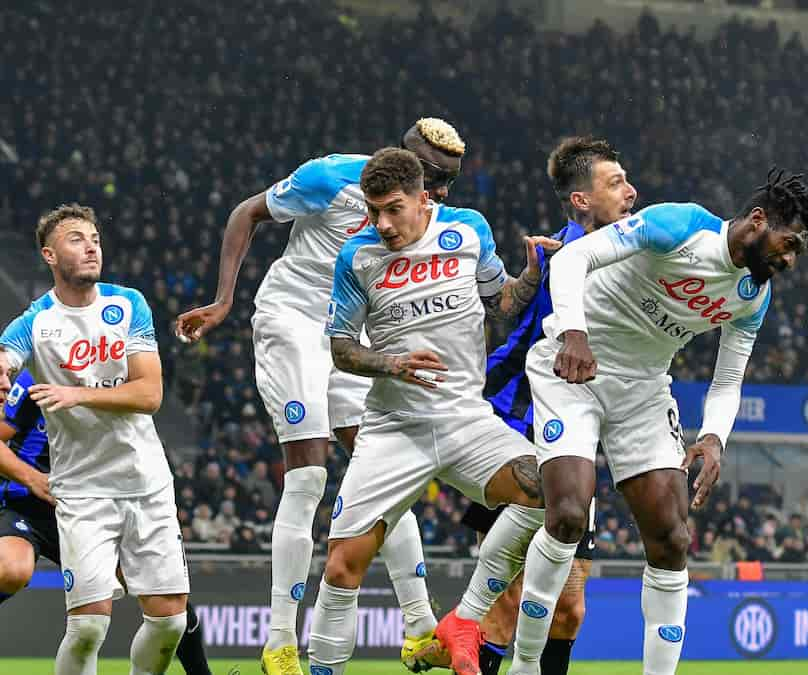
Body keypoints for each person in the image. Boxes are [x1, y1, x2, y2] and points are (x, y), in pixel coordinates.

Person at [511, 169, 808, 674]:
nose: (789, 261)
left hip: (643, 388)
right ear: (758, 220)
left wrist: (713, 438)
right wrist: (575, 332)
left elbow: (728, 380)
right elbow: (575, 256)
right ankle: (526, 665)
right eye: (787, 244)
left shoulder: (753, 294)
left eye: (796, 253)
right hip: (574, 364)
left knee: (672, 539)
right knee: (570, 514)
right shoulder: (680, 225)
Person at [174, 118, 466, 674]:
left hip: (348, 338)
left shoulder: (429, 216)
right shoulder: (331, 176)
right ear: (405, 162)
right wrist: (223, 300)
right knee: (308, 475)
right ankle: (280, 641)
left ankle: (421, 629)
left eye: (451, 181)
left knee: (388, 471)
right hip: (293, 320)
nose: (445, 191)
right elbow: (247, 212)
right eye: (437, 176)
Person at [308, 147, 556, 675]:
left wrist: (533, 274)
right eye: (374, 211)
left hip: (466, 419)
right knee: (342, 566)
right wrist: (391, 362)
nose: (382, 224)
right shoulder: (358, 256)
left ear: (424, 197)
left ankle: (464, 618)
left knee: (553, 490)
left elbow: (505, 302)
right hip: (394, 427)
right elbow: (341, 347)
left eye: (393, 209)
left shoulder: (467, 230)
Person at [462, 136, 637, 675]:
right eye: (615, 183)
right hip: (514, 426)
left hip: (576, 438)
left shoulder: (635, 254)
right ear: (581, 201)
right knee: (511, 603)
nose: (632, 192)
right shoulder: (550, 254)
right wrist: (545, 267)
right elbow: (507, 311)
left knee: (569, 608)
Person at [0, 204, 191, 675]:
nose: (91, 247)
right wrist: (1, 373)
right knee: (87, 629)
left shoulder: (128, 304)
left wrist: (75, 393)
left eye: (95, 239)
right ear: (49, 254)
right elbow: (6, 357)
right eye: (76, 239)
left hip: (146, 484)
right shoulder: (35, 323)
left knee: (170, 623)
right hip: (82, 491)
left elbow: (149, 394)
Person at [0, 369, 213, 674]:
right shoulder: (36, 374)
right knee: (11, 568)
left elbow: (149, 398)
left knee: (166, 606)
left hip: (93, 509)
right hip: (30, 508)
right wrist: (32, 478)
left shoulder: (124, 373)